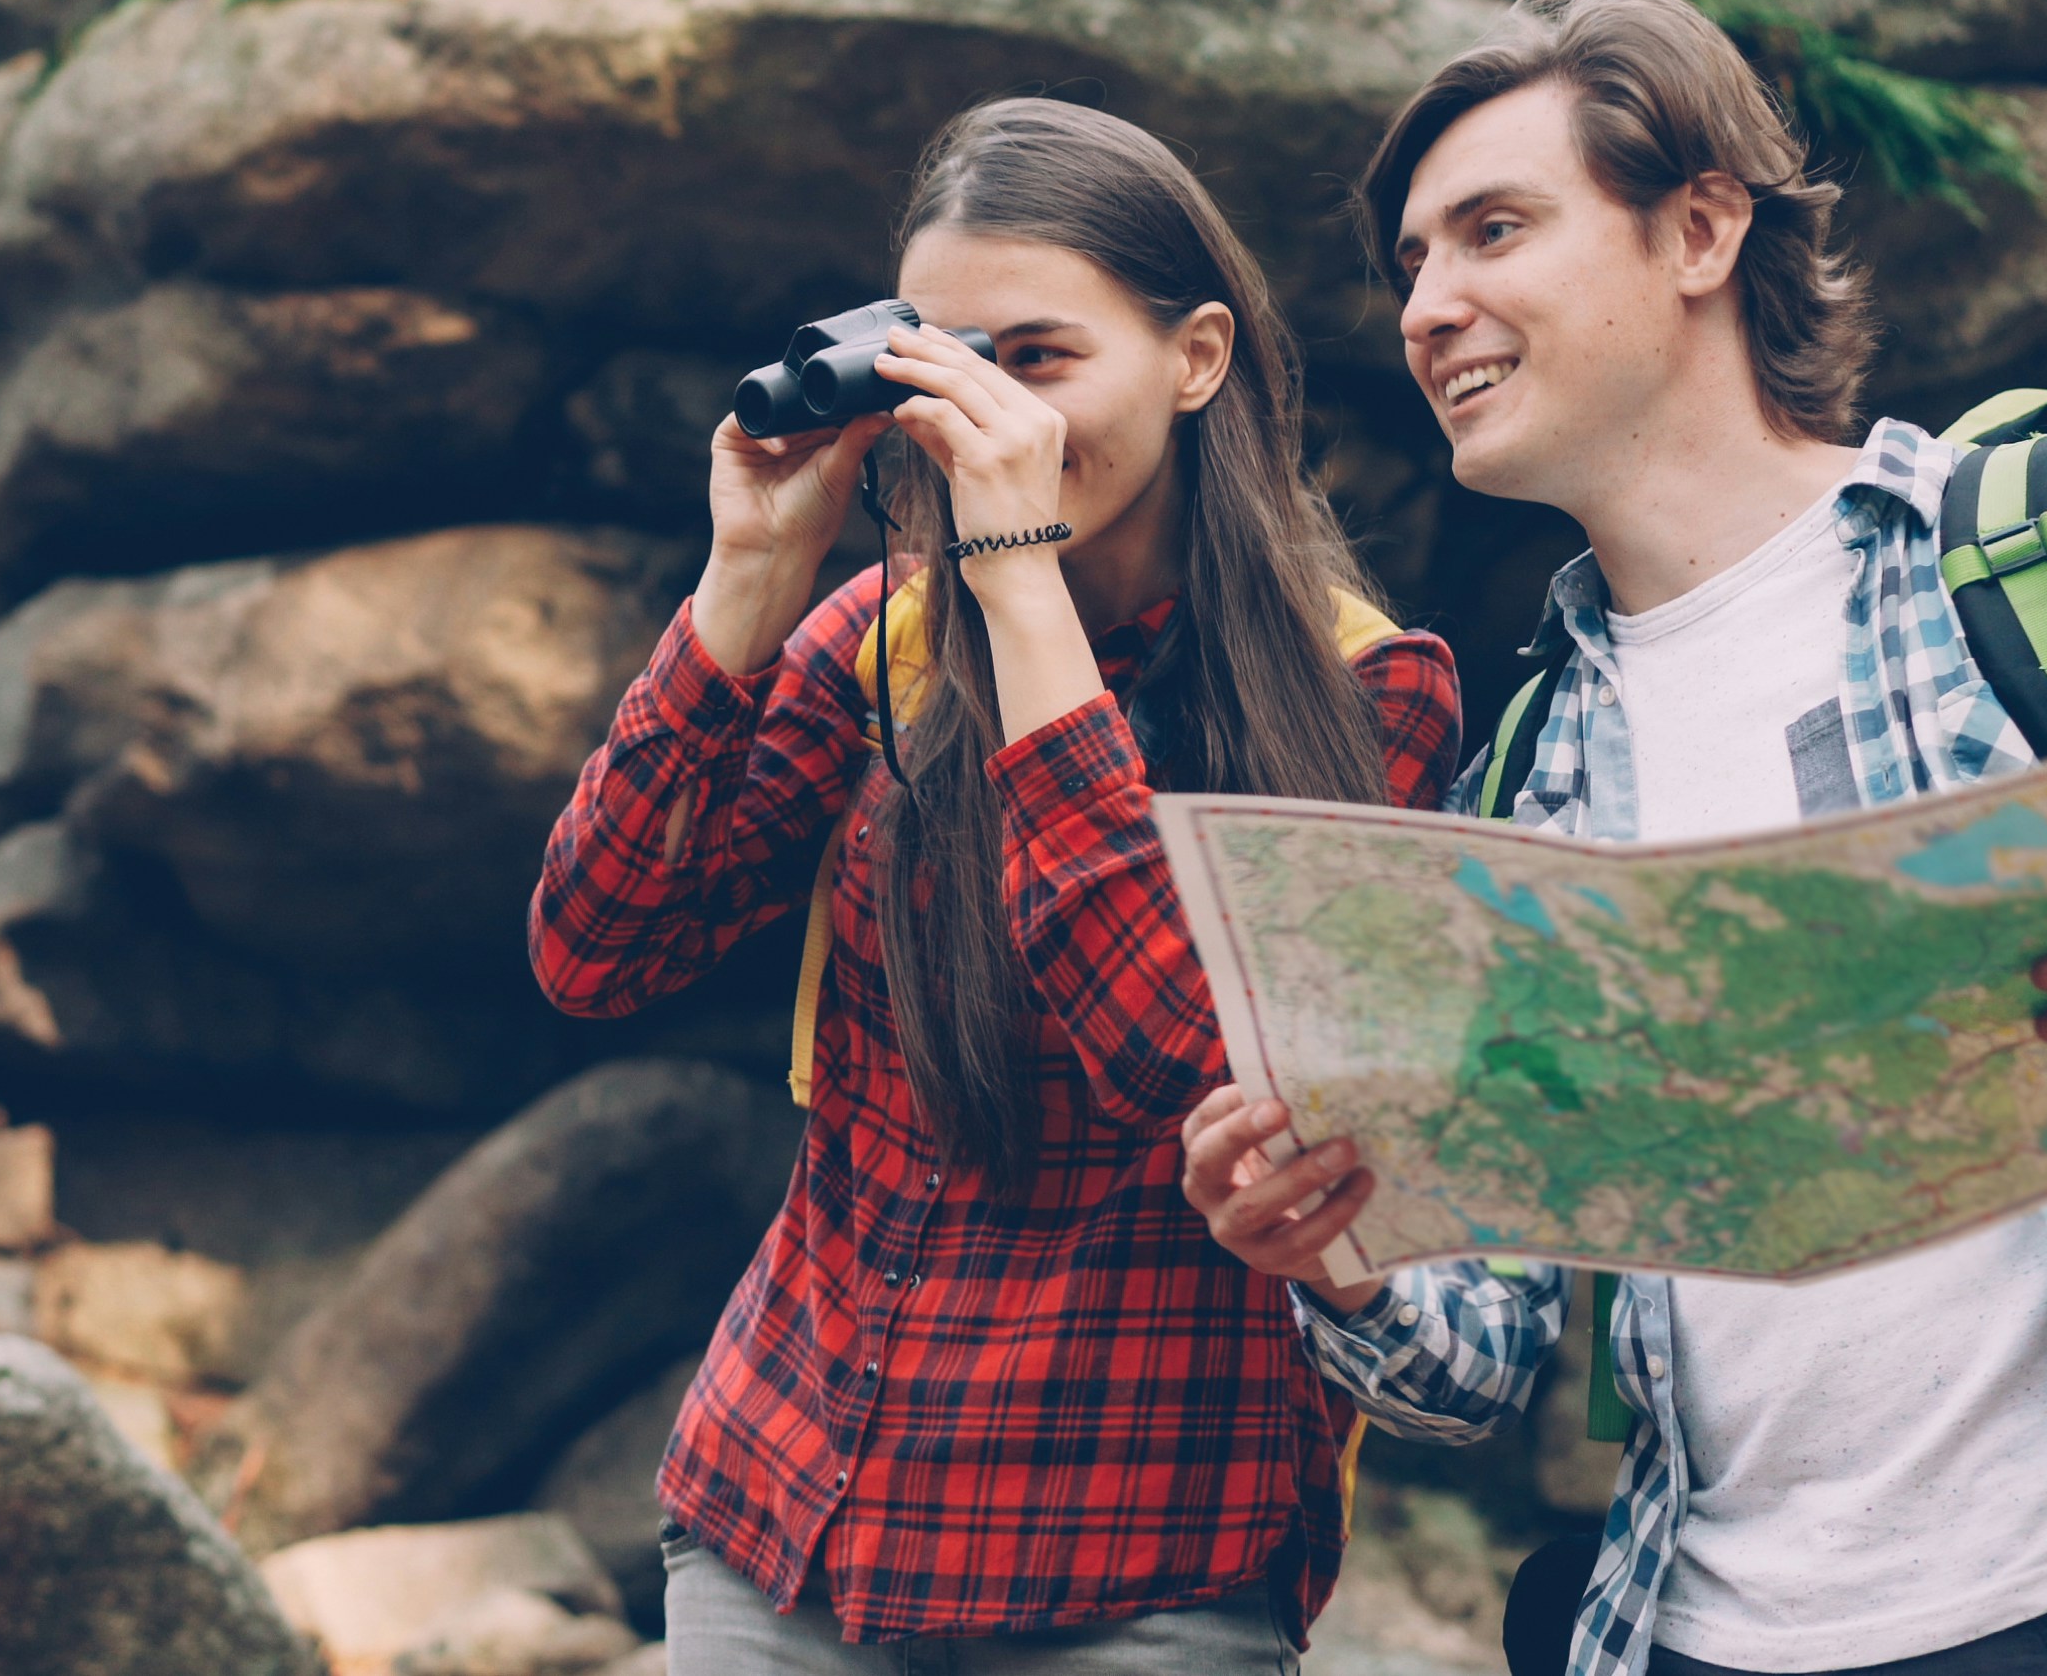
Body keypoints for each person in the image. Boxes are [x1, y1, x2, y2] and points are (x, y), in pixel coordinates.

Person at [1181, 0, 2047, 1676]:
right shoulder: (1530, 775)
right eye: (1412, 266)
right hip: (1693, 1632)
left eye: (1493, 229)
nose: (1430, 307)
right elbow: (1483, 1353)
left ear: (1701, 230)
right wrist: (1341, 1259)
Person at [530, 97, 1467, 1673]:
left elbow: (1198, 1067)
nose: (985, 411)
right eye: (943, 360)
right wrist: (749, 581)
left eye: (1034, 357)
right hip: (791, 1514)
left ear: (1198, 357)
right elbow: (595, 948)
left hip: (1132, 1557)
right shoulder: (882, 648)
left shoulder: (1374, 699)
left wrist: (1020, 585)